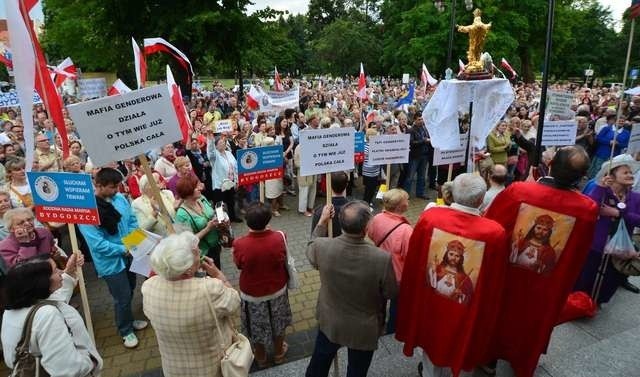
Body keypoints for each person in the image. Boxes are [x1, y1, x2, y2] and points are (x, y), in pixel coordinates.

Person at [483, 146, 599, 376]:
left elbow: (490, 225)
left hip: (508, 275)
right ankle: (522, 364)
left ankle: (488, 359)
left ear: (552, 164)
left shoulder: (518, 191)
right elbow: (579, 253)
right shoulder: (587, 209)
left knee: (499, 316)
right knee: (533, 324)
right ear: (581, 176)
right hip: (548, 284)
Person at [396, 173, 508, 377]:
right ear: (481, 199)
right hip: (464, 311)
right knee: (461, 353)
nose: (454, 257)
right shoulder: (494, 232)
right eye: (452, 254)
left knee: (432, 349)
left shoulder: (431, 218)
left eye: (458, 255)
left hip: (435, 304)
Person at [305, 201, 398, 377]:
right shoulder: (381, 258)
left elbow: (310, 247)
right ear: (366, 228)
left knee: (318, 365)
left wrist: (322, 222)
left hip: (330, 321)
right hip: (363, 328)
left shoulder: (322, 247)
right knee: (357, 370)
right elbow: (391, 292)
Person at [142, 232, 240, 377]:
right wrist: (218, 275)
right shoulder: (209, 289)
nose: (200, 252)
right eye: (195, 252)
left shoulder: (148, 287)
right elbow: (234, 301)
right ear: (187, 270)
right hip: (211, 367)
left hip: (173, 367)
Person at [78, 168, 148, 349]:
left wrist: (134, 242)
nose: (117, 190)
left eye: (118, 185)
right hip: (111, 262)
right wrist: (124, 249)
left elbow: (132, 220)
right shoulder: (87, 211)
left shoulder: (120, 199)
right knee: (122, 297)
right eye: (112, 187)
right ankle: (125, 330)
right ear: (98, 185)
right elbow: (97, 244)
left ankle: (129, 320)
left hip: (129, 253)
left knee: (131, 288)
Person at [1, 253, 103, 376]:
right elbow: (68, 369)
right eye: (55, 270)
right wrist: (90, 361)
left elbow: (57, 298)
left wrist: (70, 271)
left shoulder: (14, 309)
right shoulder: (47, 314)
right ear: (40, 282)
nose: (61, 272)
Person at [233, 203, 292, 368]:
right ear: (268, 219)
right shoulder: (280, 237)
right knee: (278, 324)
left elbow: (238, 265)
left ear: (247, 222)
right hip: (277, 289)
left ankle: (261, 358)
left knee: (257, 327)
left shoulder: (239, 244)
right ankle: (279, 354)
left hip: (252, 294)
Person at [574, 155, 640, 303]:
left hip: (620, 249)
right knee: (586, 275)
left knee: (610, 279)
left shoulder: (636, 198)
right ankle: (578, 302)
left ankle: (598, 302)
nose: (630, 175)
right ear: (612, 176)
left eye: (631, 173)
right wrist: (600, 187)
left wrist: (619, 213)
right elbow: (589, 208)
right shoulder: (601, 190)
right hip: (596, 244)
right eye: (625, 172)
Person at [366, 188, 413, 334]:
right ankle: (392, 331)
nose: (408, 202)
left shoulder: (377, 217)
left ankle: (378, 327)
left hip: (378, 269)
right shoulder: (406, 230)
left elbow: (372, 235)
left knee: (379, 302)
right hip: (397, 275)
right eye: (407, 200)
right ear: (401, 206)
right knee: (396, 305)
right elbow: (409, 256)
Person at [175, 174, 224, 268]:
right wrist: (208, 228)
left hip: (215, 246)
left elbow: (211, 213)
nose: (200, 188)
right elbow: (188, 242)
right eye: (196, 187)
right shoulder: (182, 214)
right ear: (187, 191)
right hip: (203, 255)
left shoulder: (201, 199)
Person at [207, 135, 241, 222]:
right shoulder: (214, 156)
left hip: (230, 182)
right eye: (220, 142)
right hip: (219, 184)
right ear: (216, 145)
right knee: (219, 204)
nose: (223, 144)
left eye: (224, 142)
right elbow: (210, 151)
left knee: (231, 201)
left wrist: (236, 180)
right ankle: (221, 222)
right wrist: (210, 139)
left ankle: (233, 217)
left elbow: (235, 167)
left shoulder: (229, 153)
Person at [311, 171, 349, 238]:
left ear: (329, 185)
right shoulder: (354, 210)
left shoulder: (320, 211)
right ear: (346, 185)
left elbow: (314, 234)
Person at [403, 114, 431, 199]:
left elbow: (428, 137)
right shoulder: (410, 130)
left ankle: (420, 193)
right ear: (414, 120)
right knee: (410, 177)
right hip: (415, 157)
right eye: (419, 119)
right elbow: (411, 143)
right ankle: (406, 195)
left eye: (422, 119)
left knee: (422, 176)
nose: (421, 121)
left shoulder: (424, 128)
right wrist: (424, 140)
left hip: (424, 155)